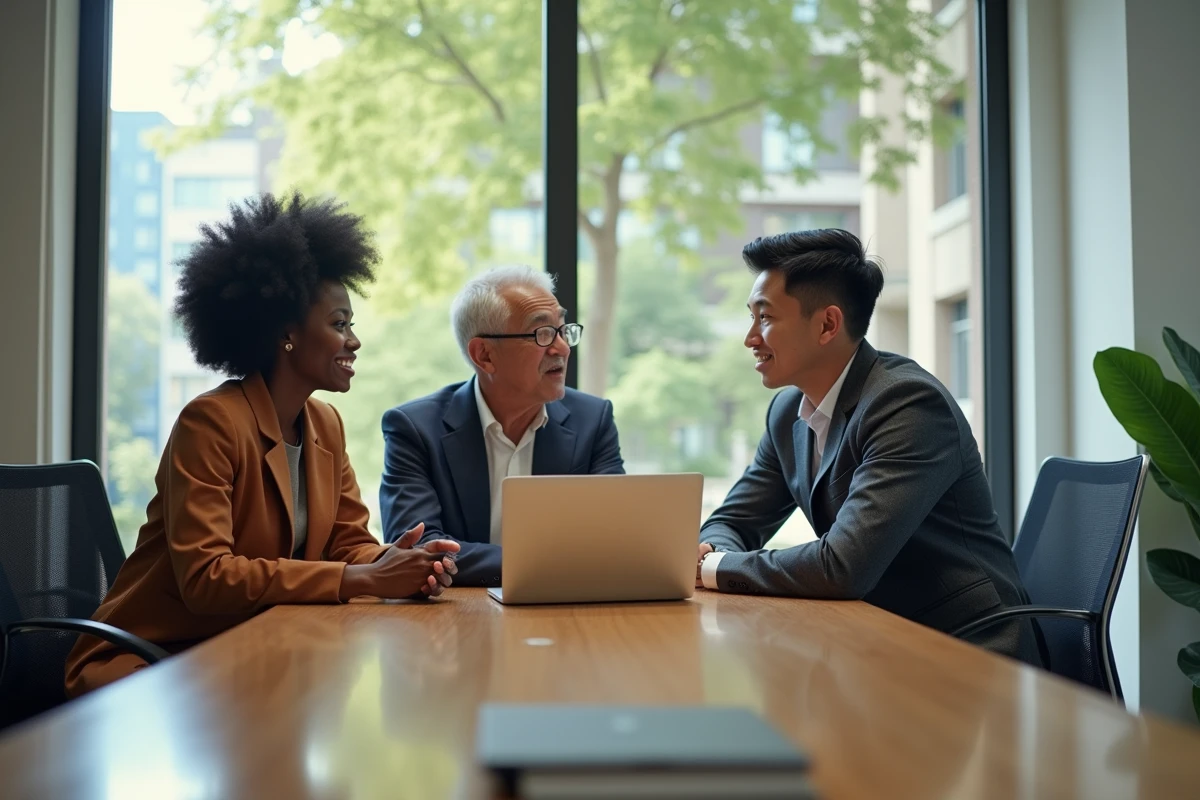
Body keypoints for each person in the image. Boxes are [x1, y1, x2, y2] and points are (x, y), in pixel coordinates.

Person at [65, 192, 459, 697]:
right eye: (339, 324)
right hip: (150, 660)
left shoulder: (325, 424)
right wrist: (360, 580)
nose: (354, 340)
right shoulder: (211, 423)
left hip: (248, 650)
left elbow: (346, 543)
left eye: (351, 325)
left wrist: (395, 563)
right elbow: (208, 578)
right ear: (287, 335)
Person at [696, 229, 1042, 665]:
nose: (750, 338)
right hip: (877, 638)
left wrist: (711, 567)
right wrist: (713, 552)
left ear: (827, 324)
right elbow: (733, 520)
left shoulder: (908, 405)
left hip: (967, 650)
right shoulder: (787, 413)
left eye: (764, 318)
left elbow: (842, 566)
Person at [379, 266, 624, 587]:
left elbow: (616, 538)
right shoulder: (414, 429)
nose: (562, 348)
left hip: (566, 619)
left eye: (563, 330)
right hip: (454, 622)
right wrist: (556, 562)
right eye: (542, 334)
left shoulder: (593, 420)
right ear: (484, 355)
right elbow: (417, 550)